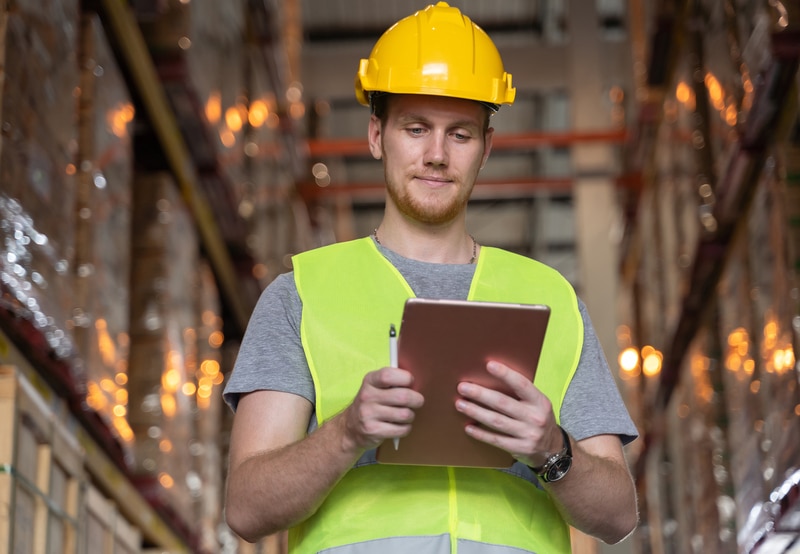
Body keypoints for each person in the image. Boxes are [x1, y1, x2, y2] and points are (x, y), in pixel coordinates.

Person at [223, 3, 639, 553]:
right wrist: (347, 433)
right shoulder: (302, 295)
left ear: (486, 149)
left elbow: (618, 516)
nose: (437, 155)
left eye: (461, 134)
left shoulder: (551, 300)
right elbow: (247, 508)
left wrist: (550, 448)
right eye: (416, 129)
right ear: (377, 136)